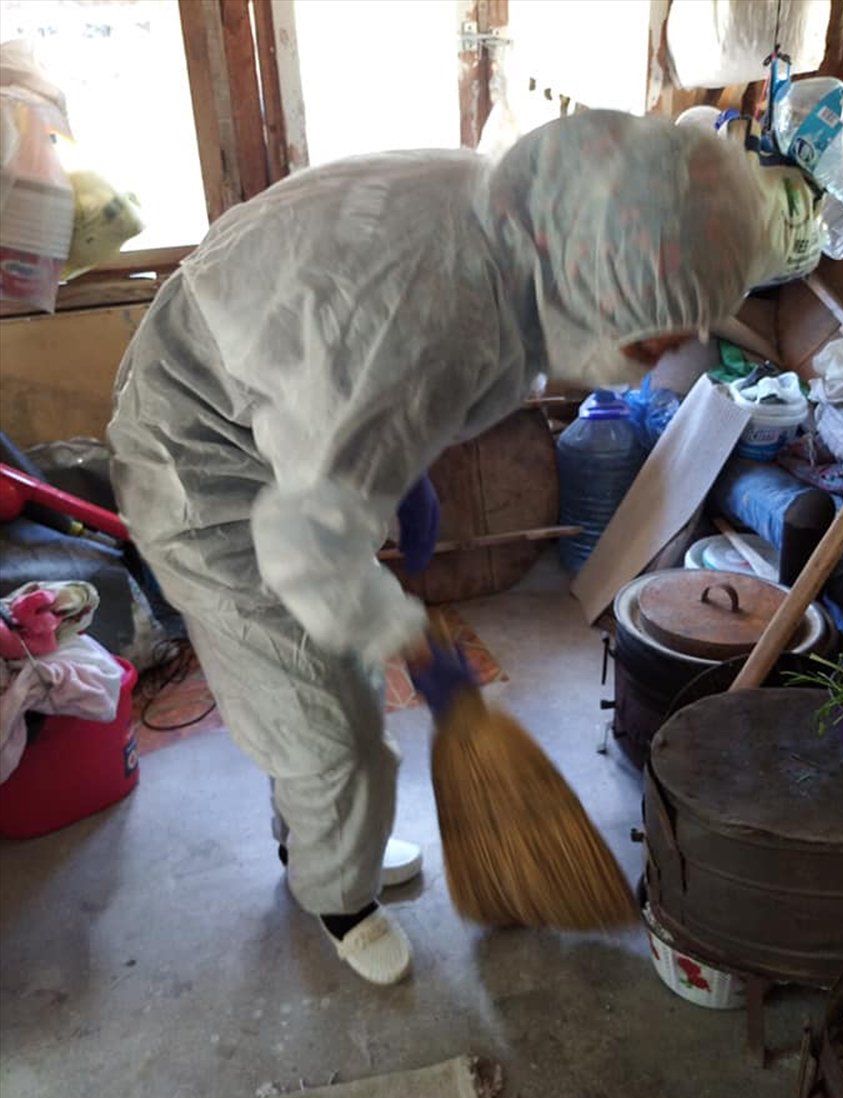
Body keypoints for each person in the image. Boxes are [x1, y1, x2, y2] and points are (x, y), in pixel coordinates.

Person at [108, 110, 765, 986]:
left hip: (286, 399)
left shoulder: (524, 226)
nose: (670, 351)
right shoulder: (414, 322)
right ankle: (335, 898)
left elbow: (378, 390)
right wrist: (408, 638)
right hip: (206, 459)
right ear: (595, 279)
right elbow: (306, 537)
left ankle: (321, 836)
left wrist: (398, 464)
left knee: (328, 690)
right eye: (657, 332)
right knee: (316, 715)